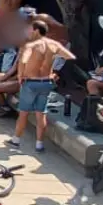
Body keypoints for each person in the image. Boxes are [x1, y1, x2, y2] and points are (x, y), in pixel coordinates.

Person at [9, 19, 75, 152]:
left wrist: (21, 76)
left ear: (37, 31)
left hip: (31, 82)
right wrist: (54, 71)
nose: (29, 32)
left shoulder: (30, 46)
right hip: (46, 82)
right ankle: (39, 144)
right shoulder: (53, 44)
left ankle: (16, 140)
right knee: (41, 114)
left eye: (31, 30)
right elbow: (69, 57)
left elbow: (23, 62)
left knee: (23, 113)